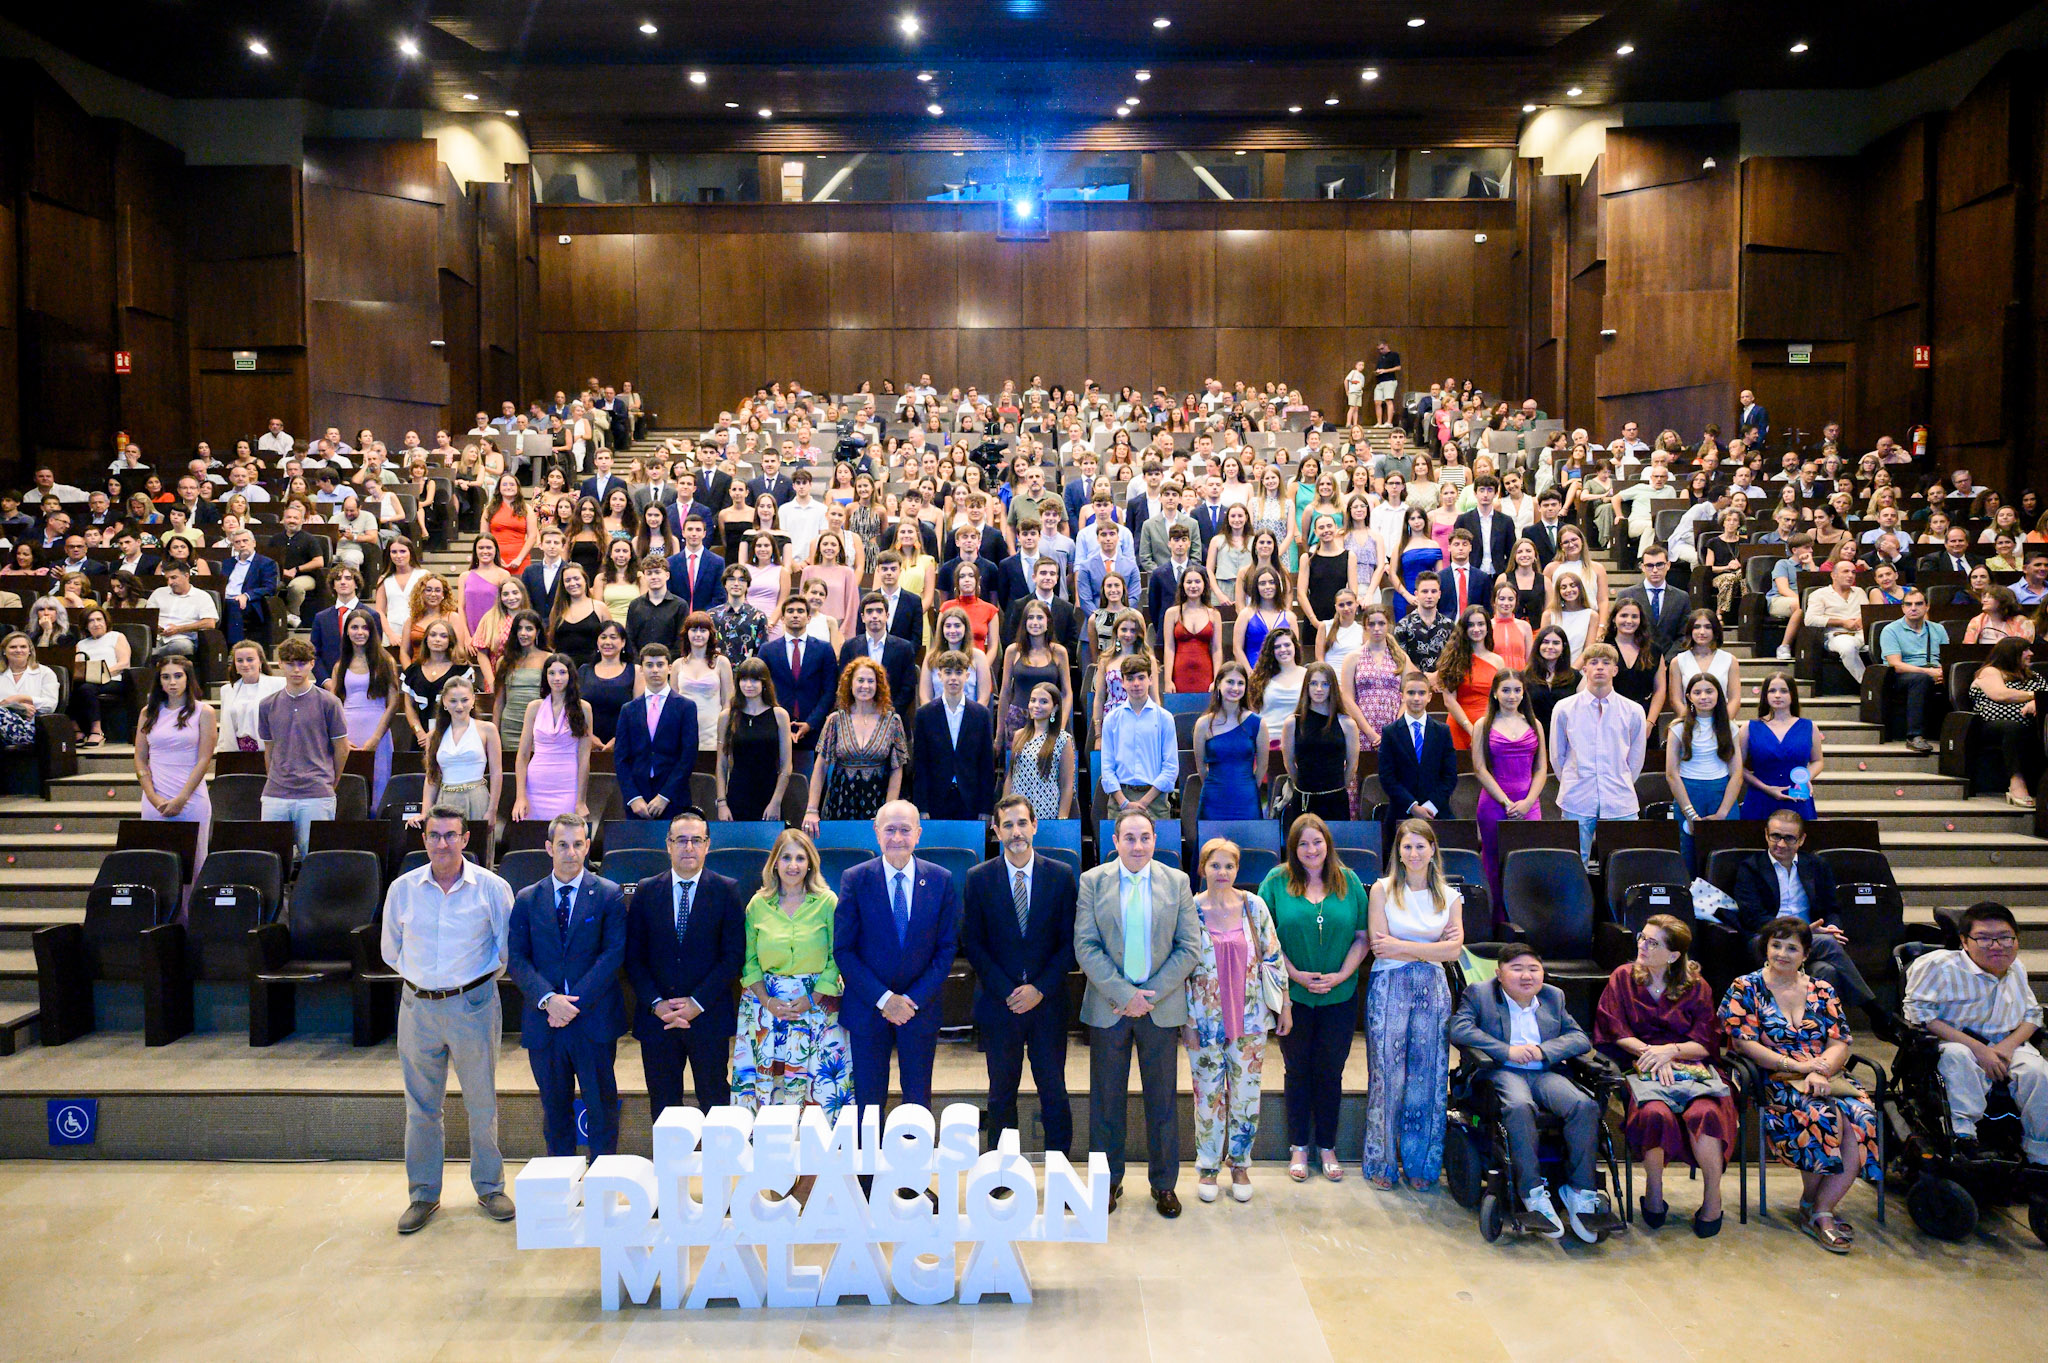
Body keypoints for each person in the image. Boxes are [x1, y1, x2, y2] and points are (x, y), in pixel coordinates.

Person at [381, 807, 516, 1234]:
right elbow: (391, 949)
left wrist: (466, 987)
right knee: (421, 1108)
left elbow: (506, 949)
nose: (443, 843)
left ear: (466, 838)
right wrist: (426, 983)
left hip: (472, 1007)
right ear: (424, 840)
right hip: (417, 1008)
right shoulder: (403, 890)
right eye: (435, 835)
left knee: (482, 1103)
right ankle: (423, 1194)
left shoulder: (492, 889)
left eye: (451, 835)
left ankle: (490, 1186)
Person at [1720, 917, 1880, 1253]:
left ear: (1805, 954)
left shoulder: (1822, 989)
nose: (1781, 953)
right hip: (1774, 1079)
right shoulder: (1745, 987)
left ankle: (1819, 1208)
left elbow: (1840, 1042)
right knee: (1822, 1115)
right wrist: (1798, 1067)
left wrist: (1820, 1070)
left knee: (1862, 1115)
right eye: (1776, 945)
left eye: (1791, 947)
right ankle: (1818, 1212)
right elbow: (1744, 1044)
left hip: (1825, 1076)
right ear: (1765, 948)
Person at [1076, 808, 1202, 1217]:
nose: (1137, 845)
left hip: (1159, 1008)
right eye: (1129, 838)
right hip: (1109, 1007)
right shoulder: (1092, 882)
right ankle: (1107, 1183)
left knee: (1162, 1100)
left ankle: (1164, 1184)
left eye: (1145, 837)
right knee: (1105, 1101)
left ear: (1155, 839)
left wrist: (1147, 996)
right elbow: (1086, 946)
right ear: (1114, 841)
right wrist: (1122, 994)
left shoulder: (1177, 882)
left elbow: (1189, 948)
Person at [1448, 945, 1608, 1241]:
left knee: (1583, 1106)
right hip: (1501, 1071)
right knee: (1520, 1107)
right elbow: (1459, 1029)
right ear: (1499, 973)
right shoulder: (1480, 994)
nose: (1526, 976)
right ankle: (1533, 1192)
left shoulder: (1552, 996)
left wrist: (1542, 1051)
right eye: (1517, 968)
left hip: (1544, 1071)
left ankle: (1580, 1193)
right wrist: (1506, 1050)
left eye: (1533, 969)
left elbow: (1578, 1038)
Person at [1594, 915, 1734, 1235]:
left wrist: (1670, 1051)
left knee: (1707, 1113)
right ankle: (1654, 1194)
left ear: (1673, 955)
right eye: (1642, 937)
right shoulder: (1622, 977)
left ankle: (1712, 1197)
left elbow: (1706, 1041)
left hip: (1689, 1067)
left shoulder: (1697, 986)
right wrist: (1652, 1054)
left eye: (1653, 942)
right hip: (1640, 1063)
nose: (1642, 945)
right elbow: (1613, 1029)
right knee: (1653, 1114)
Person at [1250, 815, 1366, 1184]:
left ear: (1328, 843)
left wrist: (1343, 974)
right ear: (1293, 848)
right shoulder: (1276, 881)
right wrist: (1295, 975)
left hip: (1340, 994)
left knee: (1330, 1071)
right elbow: (1264, 938)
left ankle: (1327, 1147)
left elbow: (1363, 936)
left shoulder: (1348, 882)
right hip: (1293, 996)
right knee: (1297, 1071)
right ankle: (1299, 1145)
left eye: (1317, 842)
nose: (1311, 850)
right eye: (1303, 844)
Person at [961, 796, 1078, 1153]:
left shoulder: (1060, 875)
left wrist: (1038, 989)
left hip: (1048, 1005)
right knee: (1001, 1094)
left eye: (1022, 823)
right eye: (1008, 825)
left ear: (1034, 826)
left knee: (1054, 1091)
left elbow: (1070, 942)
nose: (1016, 833)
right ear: (996, 831)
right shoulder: (978, 878)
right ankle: (1000, 1176)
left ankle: (1060, 1170)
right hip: (1001, 1006)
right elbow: (973, 944)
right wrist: (1010, 992)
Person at [507, 814, 627, 1160]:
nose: (571, 852)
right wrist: (548, 1000)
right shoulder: (528, 899)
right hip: (545, 1025)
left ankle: (601, 1187)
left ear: (588, 846)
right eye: (563, 845)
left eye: (578, 844)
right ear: (549, 848)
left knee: (602, 1110)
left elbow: (613, 954)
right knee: (554, 1112)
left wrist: (570, 1004)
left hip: (593, 1022)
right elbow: (517, 958)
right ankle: (562, 1188)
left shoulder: (608, 895)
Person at [1180, 837, 1290, 1203]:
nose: (1222, 872)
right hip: (1205, 1021)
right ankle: (1208, 1167)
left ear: (1237, 870)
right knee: (1208, 1097)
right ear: (1203, 868)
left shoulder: (1253, 906)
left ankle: (1240, 1163)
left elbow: (1273, 958)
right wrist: (1187, 1021)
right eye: (1215, 865)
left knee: (1245, 1096)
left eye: (1229, 866)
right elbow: (1180, 968)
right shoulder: (1189, 909)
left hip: (1251, 1021)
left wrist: (1284, 1005)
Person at [832, 801, 958, 1117]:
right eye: (890, 829)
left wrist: (910, 1000)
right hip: (867, 1009)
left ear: (918, 833)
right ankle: (867, 1168)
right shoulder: (855, 879)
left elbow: (946, 950)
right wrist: (885, 1000)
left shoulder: (941, 880)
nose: (897, 838)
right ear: (876, 833)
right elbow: (844, 950)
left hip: (920, 1010)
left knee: (917, 1102)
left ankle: (912, 1166)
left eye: (905, 830)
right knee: (868, 1105)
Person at [1902, 902, 2048, 1166]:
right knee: (1958, 1057)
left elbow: (2032, 1016)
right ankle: (1964, 1137)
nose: (1996, 946)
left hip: (2006, 1042)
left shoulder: (2017, 968)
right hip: (1954, 1040)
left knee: (2038, 1071)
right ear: (1964, 941)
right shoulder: (1937, 965)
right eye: (1984, 938)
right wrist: (1980, 1050)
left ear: (2016, 939)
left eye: (2005, 937)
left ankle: (2039, 1154)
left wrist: (2005, 1047)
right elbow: (1920, 1014)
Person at [1363, 818, 1465, 1190]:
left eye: (1421, 846)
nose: (1414, 852)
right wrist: (1430, 949)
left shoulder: (1450, 896)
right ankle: (1383, 1161)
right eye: (1407, 846)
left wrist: (1405, 948)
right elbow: (1379, 945)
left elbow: (1454, 951)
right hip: (1389, 985)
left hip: (1433, 989)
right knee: (1388, 1077)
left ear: (1433, 850)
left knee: (1428, 1076)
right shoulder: (1382, 889)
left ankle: (1422, 1164)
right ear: (1399, 852)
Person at [625, 808, 746, 1118]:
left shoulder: (727, 890)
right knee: (664, 1107)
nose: (688, 847)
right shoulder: (646, 890)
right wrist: (656, 1003)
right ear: (668, 845)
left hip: (707, 1017)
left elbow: (732, 957)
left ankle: (719, 1167)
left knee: (715, 1100)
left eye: (696, 840)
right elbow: (634, 957)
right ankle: (671, 1169)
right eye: (681, 840)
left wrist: (697, 1002)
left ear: (707, 845)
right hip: (658, 1020)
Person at [1729, 808, 1877, 1013]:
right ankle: (1874, 1010)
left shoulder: (1816, 865)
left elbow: (1831, 907)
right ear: (1766, 834)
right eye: (1775, 836)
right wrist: (1804, 931)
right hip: (1768, 938)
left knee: (1826, 970)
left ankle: (1808, 1031)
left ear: (1801, 840)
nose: (1781, 844)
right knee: (1827, 943)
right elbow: (1753, 917)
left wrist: (1832, 927)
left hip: (1811, 941)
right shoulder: (1751, 868)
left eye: (1789, 838)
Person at [1550, 643, 1648, 860]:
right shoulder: (1564, 708)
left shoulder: (1633, 710)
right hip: (1577, 795)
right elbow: (1557, 756)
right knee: (1575, 861)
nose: (1600, 667)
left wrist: (1619, 779)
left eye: (1606, 663)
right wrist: (1572, 779)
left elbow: (1636, 758)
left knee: (1623, 862)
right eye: (1593, 662)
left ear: (1615, 670)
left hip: (1619, 796)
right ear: (1584, 669)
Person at [259, 637, 351, 852]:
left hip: (316, 792)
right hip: (275, 793)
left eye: (301, 663)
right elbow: (269, 749)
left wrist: (329, 781)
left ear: (312, 664)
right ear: (280, 664)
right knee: (270, 858)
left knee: (316, 857)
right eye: (290, 663)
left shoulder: (329, 702)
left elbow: (342, 749)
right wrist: (275, 778)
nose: (296, 669)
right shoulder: (267, 705)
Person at [133, 652, 215, 895]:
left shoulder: (204, 712)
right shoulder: (148, 712)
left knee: (195, 866)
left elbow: (204, 758)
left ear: (188, 679)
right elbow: (140, 758)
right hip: (154, 800)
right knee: (157, 866)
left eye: (178, 676)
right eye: (166, 677)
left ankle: (192, 924)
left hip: (191, 799)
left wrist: (181, 799)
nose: (172, 682)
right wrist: (152, 796)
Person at [1472, 670, 1548, 909]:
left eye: (1517, 690)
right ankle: (1496, 922)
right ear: (1495, 693)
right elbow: (1480, 769)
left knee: (1528, 862)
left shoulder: (1534, 724)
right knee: (1493, 864)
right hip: (1495, 805)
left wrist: (1527, 802)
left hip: (1529, 803)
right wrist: (1506, 802)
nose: (1511, 695)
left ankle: (1526, 919)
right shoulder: (1482, 725)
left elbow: (1541, 768)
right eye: (1505, 690)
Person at [1667, 673, 1745, 872]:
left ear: (1719, 695)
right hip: (1689, 797)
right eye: (1697, 692)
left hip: (1722, 796)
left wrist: (1723, 813)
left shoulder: (1730, 727)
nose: (1704, 696)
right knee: (1689, 859)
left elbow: (1737, 774)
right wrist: (1690, 814)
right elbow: (1671, 774)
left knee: (1724, 860)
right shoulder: (1677, 727)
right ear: (1689, 697)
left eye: (1709, 691)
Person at [613, 643, 697, 820]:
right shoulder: (628, 710)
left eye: (660, 664)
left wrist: (665, 796)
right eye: (649, 665)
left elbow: (688, 756)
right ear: (641, 669)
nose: (655, 670)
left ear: (669, 668)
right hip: (637, 800)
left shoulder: (686, 707)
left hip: (673, 798)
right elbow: (621, 758)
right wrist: (633, 797)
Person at [909, 650, 996, 820]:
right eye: (948, 672)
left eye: (958, 672)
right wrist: (922, 806)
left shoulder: (981, 714)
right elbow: (920, 764)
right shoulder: (925, 714)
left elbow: (986, 764)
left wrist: (986, 808)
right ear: (939, 676)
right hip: (936, 799)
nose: (953, 678)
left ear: (968, 676)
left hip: (971, 799)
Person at [328, 607, 399, 810]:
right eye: (354, 627)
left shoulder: (386, 661)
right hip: (347, 730)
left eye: (365, 628)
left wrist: (376, 738)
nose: (360, 632)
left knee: (378, 784)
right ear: (347, 631)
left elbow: (393, 703)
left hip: (377, 729)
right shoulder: (339, 665)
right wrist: (341, 738)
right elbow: (334, 704)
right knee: (348, 785)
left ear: (372, 632)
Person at [512, 653, 593, 825]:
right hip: (536, 786)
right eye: (552, 673)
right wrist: (520, 796)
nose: (557, 678)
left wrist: (581, 801)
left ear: (571, 675)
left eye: (562, 672)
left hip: (568, 785)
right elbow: (522, 755)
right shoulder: (534, 707)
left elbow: (584, 757)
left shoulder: (584, 708)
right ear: (545, 676)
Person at [1969, 637, 2047, 808]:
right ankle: (2016, 782)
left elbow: (2046, 696)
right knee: (2014, 728)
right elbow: (2001, 695)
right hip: (1991, 725)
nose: (2031, 653)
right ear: (2011, 653)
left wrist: (2037, 703)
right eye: (2025, 650)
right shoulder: (1990, 672)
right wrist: (2035, 696)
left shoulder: (2034, 676)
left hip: (2033, 724)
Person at [1100, 653, 1177, 818]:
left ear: (1150, 679)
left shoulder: (1165, 718)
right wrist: (1124, 803)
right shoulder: (1111, 719)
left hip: (1155, 800)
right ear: (1122, 682)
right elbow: (1107, 768)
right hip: (1119, 799)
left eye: (1141, 678)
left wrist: (1143, 803)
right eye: (1130, 678)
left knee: (1159, 845)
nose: (1136, 684)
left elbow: (1171, 768)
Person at [1282, 662, 1358, 823]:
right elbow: (1289, 763)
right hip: (1304, 800)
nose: (1319, 689)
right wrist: (1304, 787)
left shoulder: (1347, 723)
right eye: (1314, 683)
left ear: (1332, 688)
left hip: (1336, 800)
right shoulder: (1292, 723)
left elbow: (1352, 765)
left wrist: (1336, 788)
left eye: (1325, 684)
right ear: (1306, 687)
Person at [1739, 671, 1821, 820]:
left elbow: (1818, 761)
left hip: (1797, 795)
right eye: (1772, 691)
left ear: (1792, 695)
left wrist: (1806, 778)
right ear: (1765, 695)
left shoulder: (1809, 727)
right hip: (1760, 797)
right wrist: (1766, 788)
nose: (1777, 695)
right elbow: (1738, 767)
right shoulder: (1748, 728)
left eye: (1783, 691)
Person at [417, 676, 500, 822]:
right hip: (446, 800)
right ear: (444, 702)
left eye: (464, 700)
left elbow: (496, 773)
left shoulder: (488, 729)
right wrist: (425, 813)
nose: (459, 706)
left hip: (477, 799)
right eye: (453, 701)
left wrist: (492, 810)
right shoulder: (434, 735)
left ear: (473, 700)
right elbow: (431, 778)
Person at [1380, 670, 1457, 823]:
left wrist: (1431, 806)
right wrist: (1413, 806)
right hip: (1401, 811)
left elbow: (1449, 776)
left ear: (1429, 696)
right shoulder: (1390, 732)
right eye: (1411, 693)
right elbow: (1387, 777)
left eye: (1421, 693)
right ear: (1402, 696)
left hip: (1436, 811)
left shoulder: (1442, 731)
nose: (1416, 698)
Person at [1879, 588, 1947, 754]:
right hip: (1901, 676)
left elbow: (1947, 658)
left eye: (1918, 604)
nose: (1913, 608)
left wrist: (1944, 673)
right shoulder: (1891, 630)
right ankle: (1914, 736)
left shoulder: (1938, 629)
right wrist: (1929, 673)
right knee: (1920, 679)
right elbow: (1896, 665)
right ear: (1902, 608)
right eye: (1908, 604)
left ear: (1927, 607)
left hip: (1934, 672)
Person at [1003, 681, 1074, 820]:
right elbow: (1011, 776)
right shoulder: (1019, 735)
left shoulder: (1063, 739)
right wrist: (1004, 810)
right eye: (1033, 700)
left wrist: (1062, 816)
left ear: (1054, 708)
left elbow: (1067, 785)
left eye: (1043, 701)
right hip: (1018, 812)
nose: (1036, 705)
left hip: (1047, 812)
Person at [1805, 557, 1869, 683]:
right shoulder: (1819, 594)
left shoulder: (1859, 591)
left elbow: (1868, 614)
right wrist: (1842, 622)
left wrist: (1862, 619)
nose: (1850, 575)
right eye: (1845, 571)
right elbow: (1810, 620)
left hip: (1862, 634)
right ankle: (1869, 683)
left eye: (1853, 572)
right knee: (1847, 646)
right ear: (1833, 575)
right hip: (1836, 635)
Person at [144, 561, 218, 659]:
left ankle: (153, 655)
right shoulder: (158, 593)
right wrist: (155, 626)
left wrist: (178, 629)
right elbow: (147, 617)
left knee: (183, 647)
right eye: (167, 579)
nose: (170, 582)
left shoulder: (202, 596)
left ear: (186, 576)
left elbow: (209, 623)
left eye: (174, 577)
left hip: (182, 639)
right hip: (156, 638)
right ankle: (154, 655)